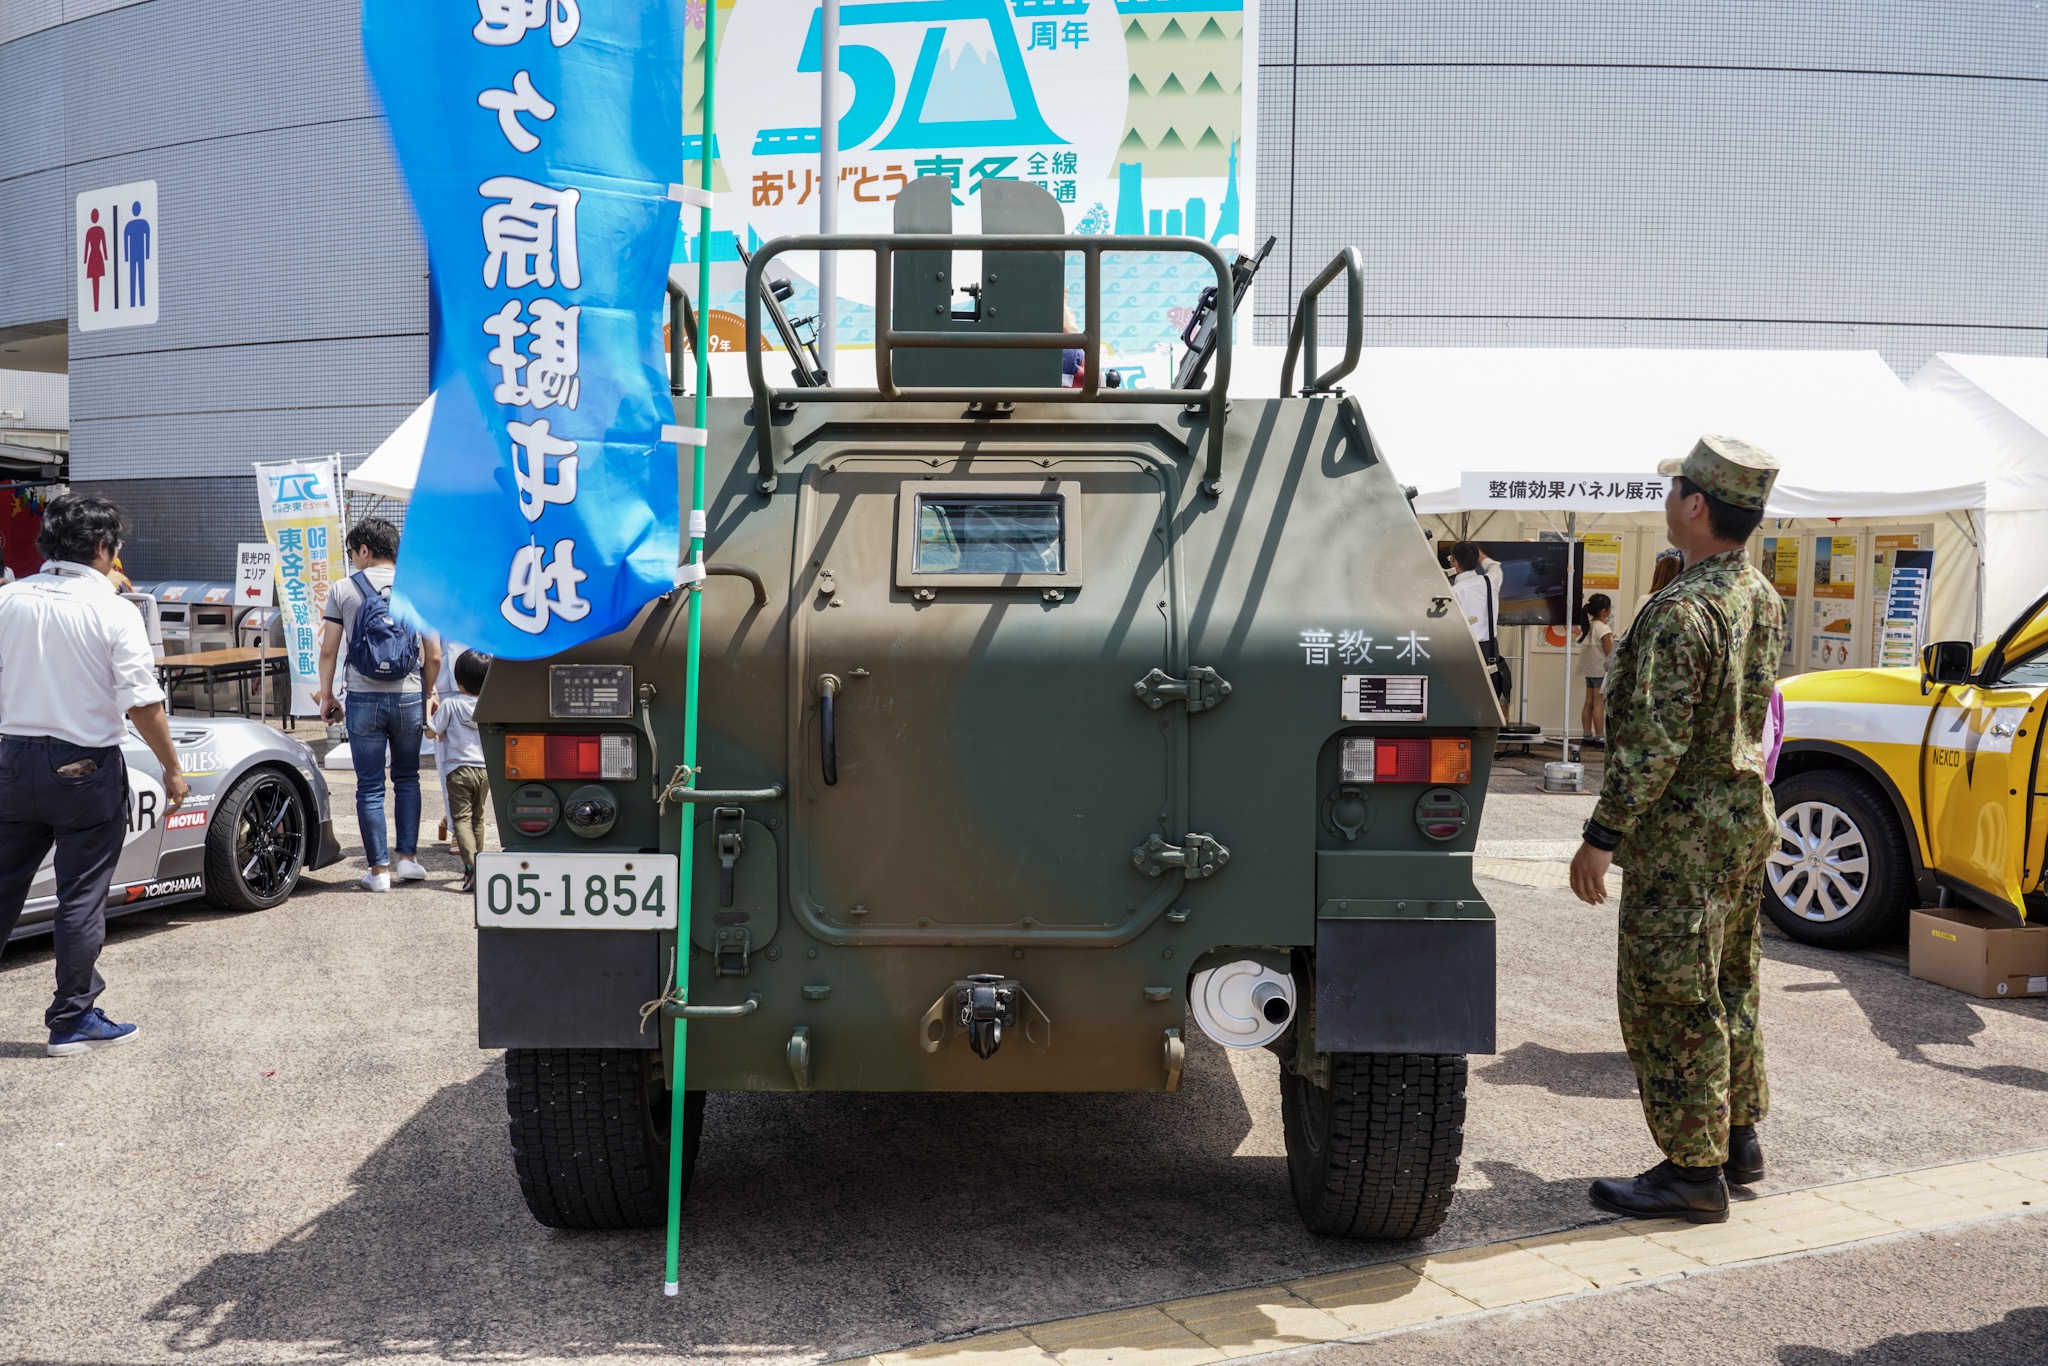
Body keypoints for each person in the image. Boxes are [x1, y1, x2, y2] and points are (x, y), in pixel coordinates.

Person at [1568, 436, 1784, 1224]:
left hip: (1683, 840)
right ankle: (1737, 1136)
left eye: (1674, 491)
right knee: (1730, 984)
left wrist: (1602, 834)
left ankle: (1693, 1173)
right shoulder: (1757, 592)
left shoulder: (1682, 610)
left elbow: (1652, 743)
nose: (1666, 502)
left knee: (1672, 999)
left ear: (1698, 504)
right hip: (1737, 825)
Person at [0, 493, 189, 1055]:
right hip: (84, 766)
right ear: (104, 548)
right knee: (80, 896)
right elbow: (143, 702)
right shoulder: (110, 608)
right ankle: (72, 1019)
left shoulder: (8, 598)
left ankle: (76, 1016)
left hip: (11, 757)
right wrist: (172, 770)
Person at [314, 518, 439, 893]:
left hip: (363, 697)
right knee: (407, 778)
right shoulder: (419, 587)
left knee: (370, 786)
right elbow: (432, 654)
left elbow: (329, 650)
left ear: (365, 550)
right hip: (408, 696)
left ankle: (379, 871)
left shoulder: (343, 589)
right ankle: (408, 860)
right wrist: (429, 693)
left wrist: (328, 695)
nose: (353, 559)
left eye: (353, 553)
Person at [427, 650, 492, 893]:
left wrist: (427, 717)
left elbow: (431, 732)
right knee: (479, 819)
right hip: (484, 771)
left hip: (458, 771)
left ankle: (471, 867)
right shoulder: (489, 706)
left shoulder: (451, 704)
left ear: (458, 681)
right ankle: (481, 868)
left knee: (461, 821)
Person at [1578, 593, 1614, 745]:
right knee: (1598, 704)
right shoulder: (1603, 628)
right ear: (1604, 611)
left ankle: (1587, 735)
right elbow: (1609, 651)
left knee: (1588, 702)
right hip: (1600, 670)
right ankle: (1600, 737)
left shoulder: (1588, 627)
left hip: (1589, 670)